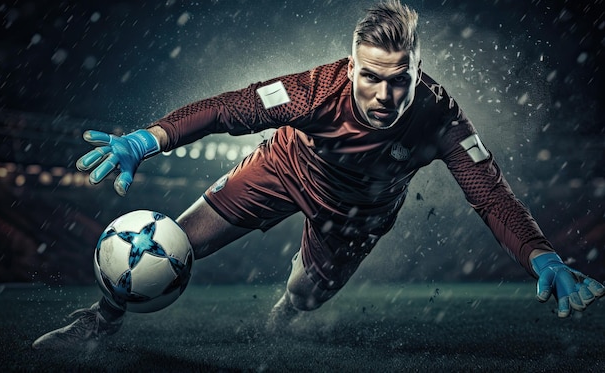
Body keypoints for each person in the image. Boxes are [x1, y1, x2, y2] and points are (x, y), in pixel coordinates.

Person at [32, 0, 604, 349]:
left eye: (399, 79)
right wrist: (148, 138)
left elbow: (492, 197)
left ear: (419, 71)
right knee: (166, 243)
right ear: (352, 66)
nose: (384, 94)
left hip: (357, 215)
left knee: (303, 299)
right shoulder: (313, 90)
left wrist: (541, 255)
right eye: (371, 77)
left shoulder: (443, 119)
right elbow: (227, 109)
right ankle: (97, 325)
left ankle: (284, 316)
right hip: (282, 170)